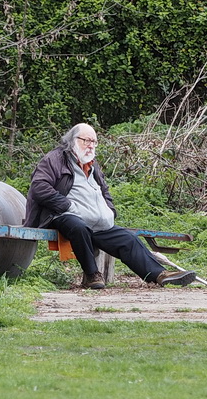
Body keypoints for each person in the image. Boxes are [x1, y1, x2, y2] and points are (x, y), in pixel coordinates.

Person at [23, 123, 196, 289]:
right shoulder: (55, 159)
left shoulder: (92, 164)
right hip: (62, 216)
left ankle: (160, 275)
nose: (91, 145)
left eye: (94, 142)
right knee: (78, 227)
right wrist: (67, 205)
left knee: (129, 239)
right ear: (73, 140)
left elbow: (104, 191)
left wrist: (110, 211)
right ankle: (92, 275)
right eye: (87, 140)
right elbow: (39, 187)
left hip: (97, 222)